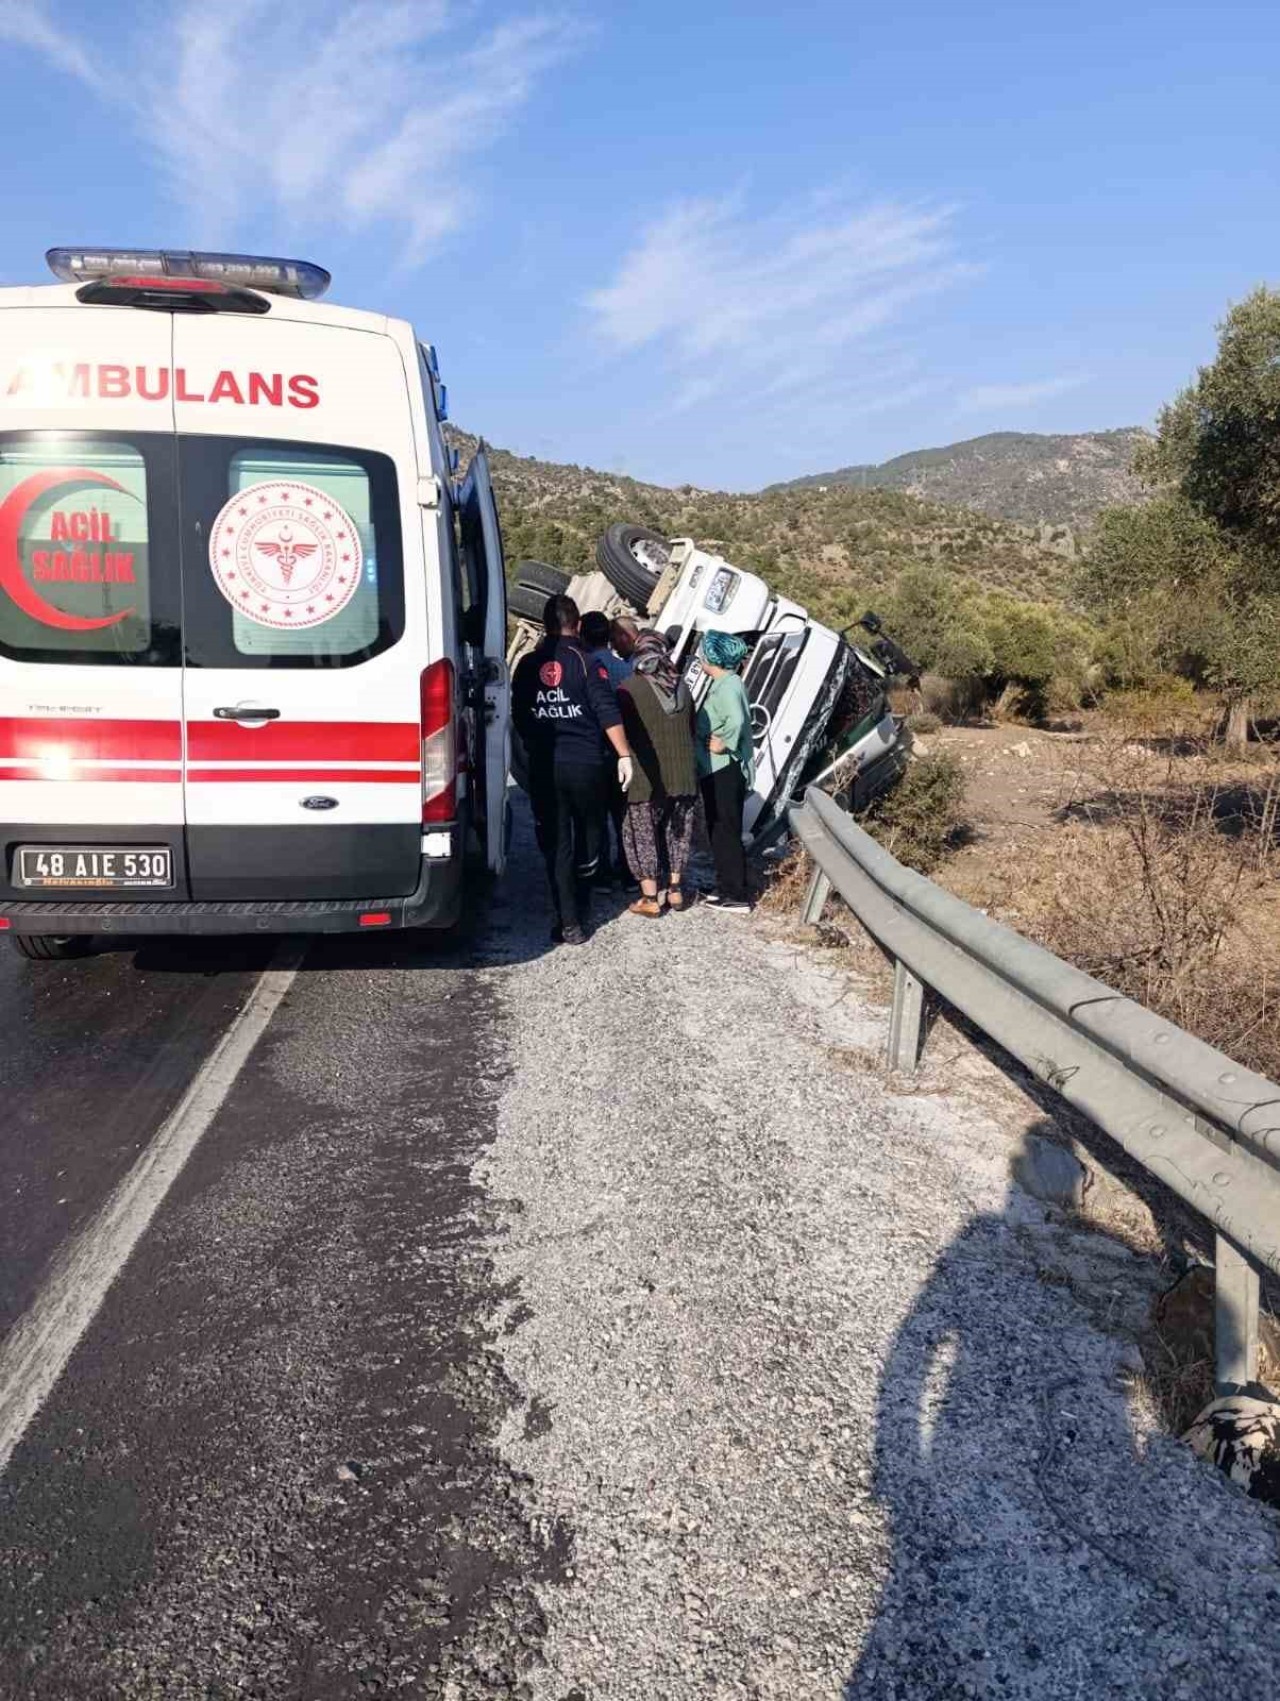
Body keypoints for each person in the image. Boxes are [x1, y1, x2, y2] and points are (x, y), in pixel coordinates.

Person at [512, 595, 633, 944]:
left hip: (544, 766)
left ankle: (568, 921)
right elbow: (606, 710)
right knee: (588, 838)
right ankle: (579, 907)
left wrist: (536, 743)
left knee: (556, 844)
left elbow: (519, 716)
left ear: (547, 624)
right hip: (585, 766)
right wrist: (623, 754)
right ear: (577, 625)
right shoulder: (586, 663)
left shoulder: (527, 663)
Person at [616, 630, 699, 917]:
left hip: (646, 777)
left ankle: (650, 897)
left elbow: (619, 732)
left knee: (640, 833)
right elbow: (692, 727)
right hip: (685, 774)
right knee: (678, 831)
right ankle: (675, 890)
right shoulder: (684, 688)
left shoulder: (628, 689)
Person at [695, 630, 754, 912]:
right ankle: (724, 885)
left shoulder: (728, 685)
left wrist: (724, 742)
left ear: (712, 657)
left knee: (725, 829)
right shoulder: (726, 682)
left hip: (723, 769)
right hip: (716, 769)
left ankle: (736, 894)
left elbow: (738, 718)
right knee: (718, 828)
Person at [580, 609, 635, 887]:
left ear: (583, 636)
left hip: (595, 750)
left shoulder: (585, 668)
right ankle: (628, 869)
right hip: (625, 750)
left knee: (596, 815)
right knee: (623, 814)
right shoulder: (626, 669)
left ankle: (599, 871)